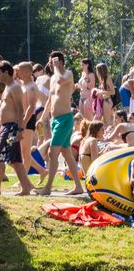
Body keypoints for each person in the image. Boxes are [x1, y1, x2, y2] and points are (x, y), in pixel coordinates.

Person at [36, 52, 84, 196]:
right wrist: (43, 118)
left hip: (65, 119)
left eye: (53, 62)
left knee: (52, 152)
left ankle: (48, 188)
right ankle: (78, 187)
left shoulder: (67, 74)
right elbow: (50, 101)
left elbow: (61, 80)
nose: (51, 64)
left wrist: (56, 67)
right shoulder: (52, 79)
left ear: (60, 62)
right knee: (67, 154)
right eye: (50, 62)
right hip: (55, 120)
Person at [0, 61, 33, 196]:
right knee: (15, 160)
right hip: (6, 127)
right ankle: (26, 188)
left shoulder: (15, 87)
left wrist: (20, 129)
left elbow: (20, 109)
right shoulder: (8, 87)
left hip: (12, 128)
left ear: (7, 73)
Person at [17, 62, 47, 181]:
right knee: (23, 152)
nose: (17, 73)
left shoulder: (32, 86)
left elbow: (31, 106)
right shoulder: (23, 85)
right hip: (23, 119)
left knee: (25, 152)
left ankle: (24, 181)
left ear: (26, 72)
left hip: (28, 120)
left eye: (19, 70)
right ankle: (42, 170)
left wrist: (23, 122)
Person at [95, 63, 115, 127]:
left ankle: (108, 135)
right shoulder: (101, 79)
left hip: (107, 101)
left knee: (107, 121)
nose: (96, 72)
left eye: (97, 70)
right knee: (102, 120)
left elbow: (113, 91)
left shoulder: (107, 78)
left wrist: (102, 92)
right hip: (103, 101)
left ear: (101, 71)